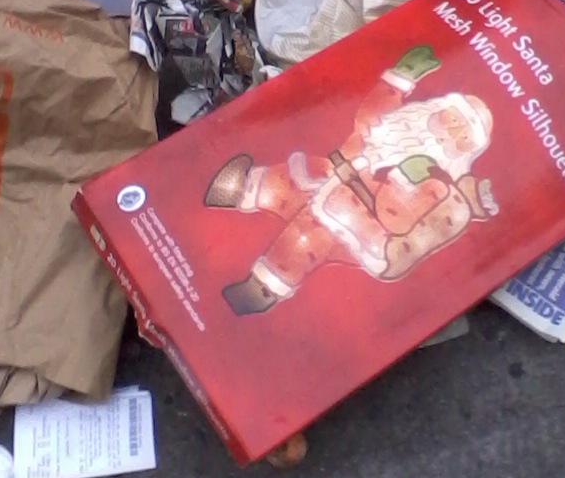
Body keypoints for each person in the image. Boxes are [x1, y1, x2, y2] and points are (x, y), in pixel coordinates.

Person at [204, 44, 499, 315]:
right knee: (292, 179)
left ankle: (261, 290)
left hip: (358, 223)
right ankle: (237, 190)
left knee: (307, 239)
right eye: (453, 119)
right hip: (333, 175)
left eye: (462, 136)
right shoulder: (391, 129)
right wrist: (397, 80)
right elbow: (370, 116)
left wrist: (404, 181)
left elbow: (399, 218)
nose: (450, 132)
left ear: (465, 150)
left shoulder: (436, 183)